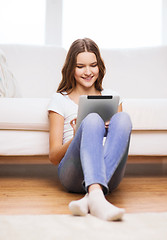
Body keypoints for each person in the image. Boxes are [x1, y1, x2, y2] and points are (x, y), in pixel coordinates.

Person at [48, 38, 132, 221]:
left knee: (123, 118)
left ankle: (92, 197)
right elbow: (54, 157)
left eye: (93, 65)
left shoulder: (113, 97)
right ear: (71, 68)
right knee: (92, 120)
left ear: (99, 67)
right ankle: (96, 196)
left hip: (108, 171)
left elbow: (117, 146)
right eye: (80, 66)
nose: (88, 72)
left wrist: (108, 131)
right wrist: (78, 134)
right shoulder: (59, 100)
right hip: (73, 174)